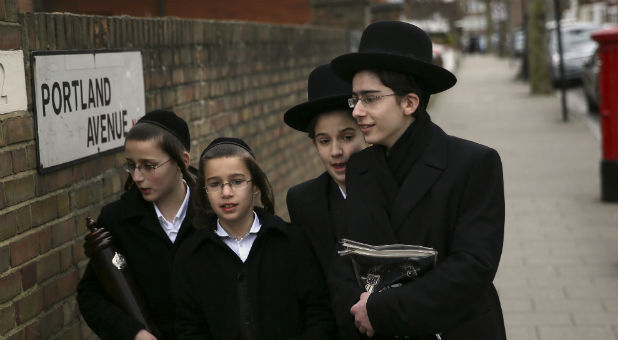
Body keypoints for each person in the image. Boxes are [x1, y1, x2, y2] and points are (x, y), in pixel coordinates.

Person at [328, 21, 506, 339]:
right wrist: (354, 309)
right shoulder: (360, 167)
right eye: (354, 99)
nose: (357, 112)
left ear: (409, 103)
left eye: (370, 99)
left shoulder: (474, 163)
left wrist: (381, 310)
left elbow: (472, 267)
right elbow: (347, 254)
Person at [172, 137, 334, 339]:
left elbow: (319, 313)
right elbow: (189, 328)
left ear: (255, 186)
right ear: (205, 192)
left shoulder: (292, 241)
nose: (226, 192)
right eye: (214, 184)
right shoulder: (191, 256)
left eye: (237, 181)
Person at [77, 110, 195, 340]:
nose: (138, 176)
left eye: (149, 166)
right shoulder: (118, 219)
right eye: (131, 165)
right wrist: (133, 333)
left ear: (183, 162)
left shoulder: (213, 214)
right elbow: (91, 295)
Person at [284, 64, 367, 277]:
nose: (335, 151)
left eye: (347, 137)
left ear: (367, 133)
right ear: (314, 144)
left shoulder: (396, 188)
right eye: (324, 141)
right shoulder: (303, 201)